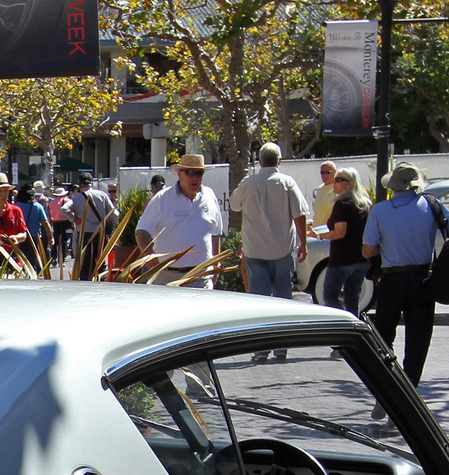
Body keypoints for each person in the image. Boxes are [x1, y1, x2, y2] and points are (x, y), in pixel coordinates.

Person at [362, 159, 449, 385]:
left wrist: (389, 244)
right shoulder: (431, 204)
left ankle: (386, 386)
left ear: (393, 185)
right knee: (418, 342)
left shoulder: (379, 210)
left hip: (392, 279)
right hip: (423, 279)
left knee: (383, 338)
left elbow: (367, 251)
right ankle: (409, 390)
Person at [229, 142, 310, 356]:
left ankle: (260, 350)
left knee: (259, 303)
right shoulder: (287, 182)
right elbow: (299, 214)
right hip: (282, 249)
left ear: (260, 161)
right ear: (280, 161)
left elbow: (235, 205)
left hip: (255, 250)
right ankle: (281, 348)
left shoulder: (249, 183)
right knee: (283, 300)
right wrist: (304, 243)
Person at [136, 153, 227, 286]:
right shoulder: (162, 198)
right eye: (190, 172)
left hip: (201, 275)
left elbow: (215, 233)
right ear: (179, 174)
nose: (195, 177)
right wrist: (148, 254)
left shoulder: (209, 195)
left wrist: (216, 265)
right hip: (166, 275)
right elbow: (142, 231)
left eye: (199, 173)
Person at [314, 166, 370, 318]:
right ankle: (353, 327)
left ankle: (344, 323)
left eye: (339, 180)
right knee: (352, 296)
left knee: (329, 294)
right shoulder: (365, 204)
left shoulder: (342, 203)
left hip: (342, 259)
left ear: (350, 183)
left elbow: (340, 232)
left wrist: (320, 236)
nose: (335, 183)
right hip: (362, 258)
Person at [72, 181, 116, 278]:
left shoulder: (77, 197)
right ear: (91, 184)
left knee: (84, 264)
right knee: (100, 263)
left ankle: (85, 286)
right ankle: (99, 285)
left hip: (85, 234)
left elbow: (64, 209)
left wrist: (74, 219)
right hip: (100, 234)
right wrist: (111, 226)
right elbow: (114, 213)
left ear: (80, 186)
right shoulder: (102, 195)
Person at [21, 180, 50, 273]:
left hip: (19, 237)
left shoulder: (17, 206)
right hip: (34, 237)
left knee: (21, 260)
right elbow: (46, 223)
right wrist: (51, 237)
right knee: (33, 260)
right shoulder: (38, 206)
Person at [311, 160, 339, 229]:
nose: (325, 175)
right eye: (322, 172)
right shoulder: (320, 188)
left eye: (328, 172)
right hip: (317, 230)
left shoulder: (337, 188)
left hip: (328, 230)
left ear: (335, 172)